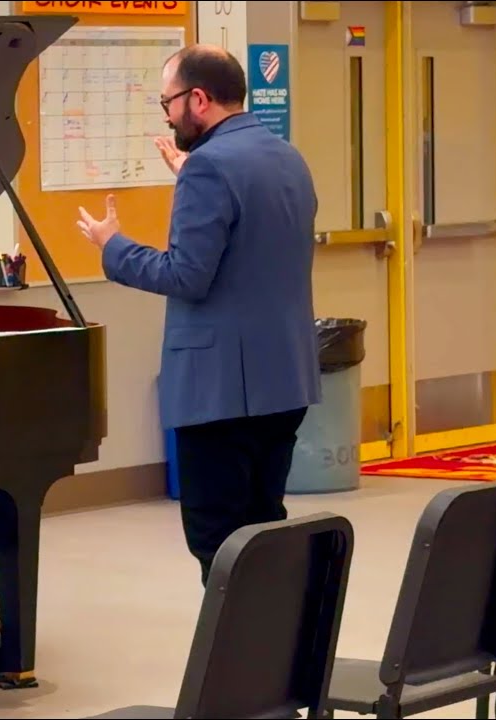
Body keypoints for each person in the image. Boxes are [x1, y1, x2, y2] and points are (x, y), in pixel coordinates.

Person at [75, 45, 321, 585]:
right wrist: (195, 173)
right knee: (264, 525)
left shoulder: (208, 167)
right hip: (284, 378)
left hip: (222, 391)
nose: (166, 115)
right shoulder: (286, 157)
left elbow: (186, 276)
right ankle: (274, 650)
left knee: (219, 541)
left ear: (199, 99)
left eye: (167, 102)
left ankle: (236, 660)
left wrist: (113, 245)